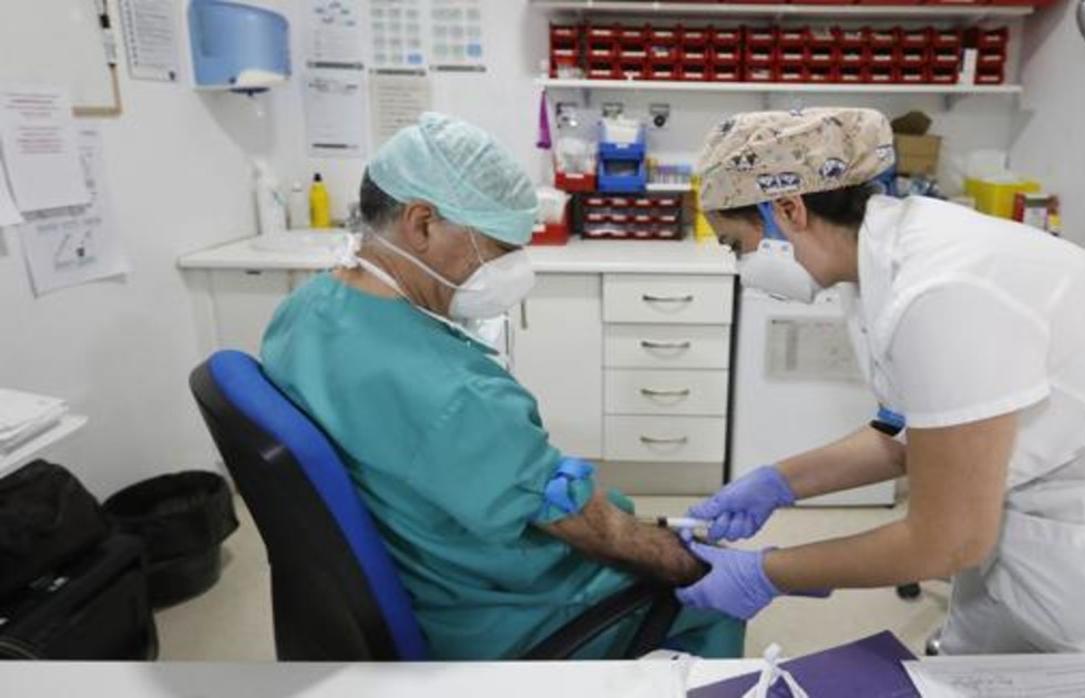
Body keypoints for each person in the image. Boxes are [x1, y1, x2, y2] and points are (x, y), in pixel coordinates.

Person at [675, 107, 1085, 654]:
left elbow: (946, 540)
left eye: (737, 244)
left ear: (789, 210)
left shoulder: (944, 288)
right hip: (1037, 530)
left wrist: (766, 574)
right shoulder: (879, 265)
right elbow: (910, 435)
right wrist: (778, 482)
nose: (741, 267)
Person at [261, 112, 742, 660]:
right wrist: (703, 561)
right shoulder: (458, 395)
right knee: (714, 600)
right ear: (421, 224)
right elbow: (592, 530)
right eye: (498, 247)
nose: (513, 267)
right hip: (495, 612)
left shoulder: (303, 312)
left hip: (411, 562)